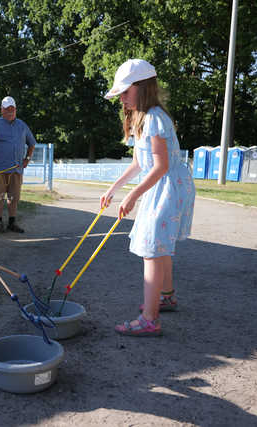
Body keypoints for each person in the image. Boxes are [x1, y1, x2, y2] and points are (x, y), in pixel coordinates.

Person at [99, 59, 195, 337]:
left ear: (143, 88)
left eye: (125, 92)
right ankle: (166, 296)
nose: (122, 99)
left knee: (151, 249)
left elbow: (161, 166)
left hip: (168, 187)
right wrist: (114, 188)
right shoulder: (141, 117)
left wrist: (133, 196)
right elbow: (139, 163)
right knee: (159, 245)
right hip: (164, 185)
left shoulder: (154, 117)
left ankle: (150, 319)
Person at [0, 96, 36, 233]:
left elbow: (32, 143)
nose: (10, 112)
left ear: (16, 110)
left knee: (13, 197)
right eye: (7, 109)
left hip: (16, 169)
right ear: (2, 110)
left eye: (12, 110)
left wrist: (27, 159)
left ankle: (12, 222)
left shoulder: (22, 125)